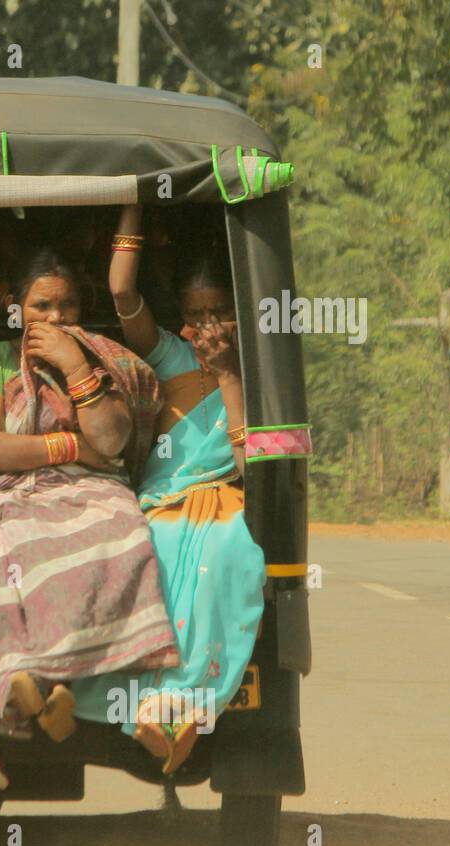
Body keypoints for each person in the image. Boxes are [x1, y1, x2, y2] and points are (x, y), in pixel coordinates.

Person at [72, 204, 265, 775]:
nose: (208, 326)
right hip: (158, 505)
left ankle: (183, 707)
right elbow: (120, 289)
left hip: (221, 501)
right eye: (196, 313)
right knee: (141, 558)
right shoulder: (167, 353)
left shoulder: (254, 369)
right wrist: (133, 200)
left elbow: (247, 462)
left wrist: (229, 374)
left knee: (225, 560)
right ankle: (150, 712)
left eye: (220, 313)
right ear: (181, 316)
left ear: (238, 313)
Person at [0, 248, 178, 741]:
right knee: (12, 540)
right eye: (41, 307)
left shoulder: (103, 356)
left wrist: (73, 362)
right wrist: (67, 446)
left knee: (124, 532)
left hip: (93, 488)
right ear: (14, 308)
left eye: (68, 306)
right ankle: (32, 677)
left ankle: (69, 687)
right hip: (15, 490)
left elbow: (109, 442)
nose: (57, 318)